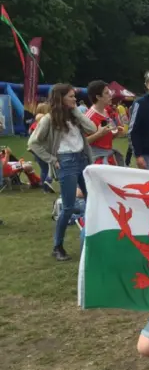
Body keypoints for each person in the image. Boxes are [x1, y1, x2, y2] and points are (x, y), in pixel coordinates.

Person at [28, 83, 97, 261]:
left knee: (92, 200)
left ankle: (91, 239)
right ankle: (57, 246)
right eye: (71, 96)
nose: (75, 99)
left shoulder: (74, 116)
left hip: (83, 159)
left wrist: (76, 111)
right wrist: (52, 159)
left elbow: (92, 128)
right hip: (65, 162)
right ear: (60, 98)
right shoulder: (49, 119)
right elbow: (33, 143)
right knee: (67, 207)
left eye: (74, 96)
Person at [85, 80, 126, 166]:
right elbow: (81, 142)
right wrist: (99, 134)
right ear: (98, 97)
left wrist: (116, 133)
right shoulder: (89, 117)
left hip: (109, 158)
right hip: (97, 160)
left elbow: (105, 139)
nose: (111, 95)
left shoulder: (106, 111)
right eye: (107, 93)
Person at [28, 103, 56, 193]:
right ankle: (46, 186)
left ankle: (46, 184)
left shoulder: (35, 123)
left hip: (36, 148)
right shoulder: (43, 122)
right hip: (40, 148)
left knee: (45, 168)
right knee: (46, 168)